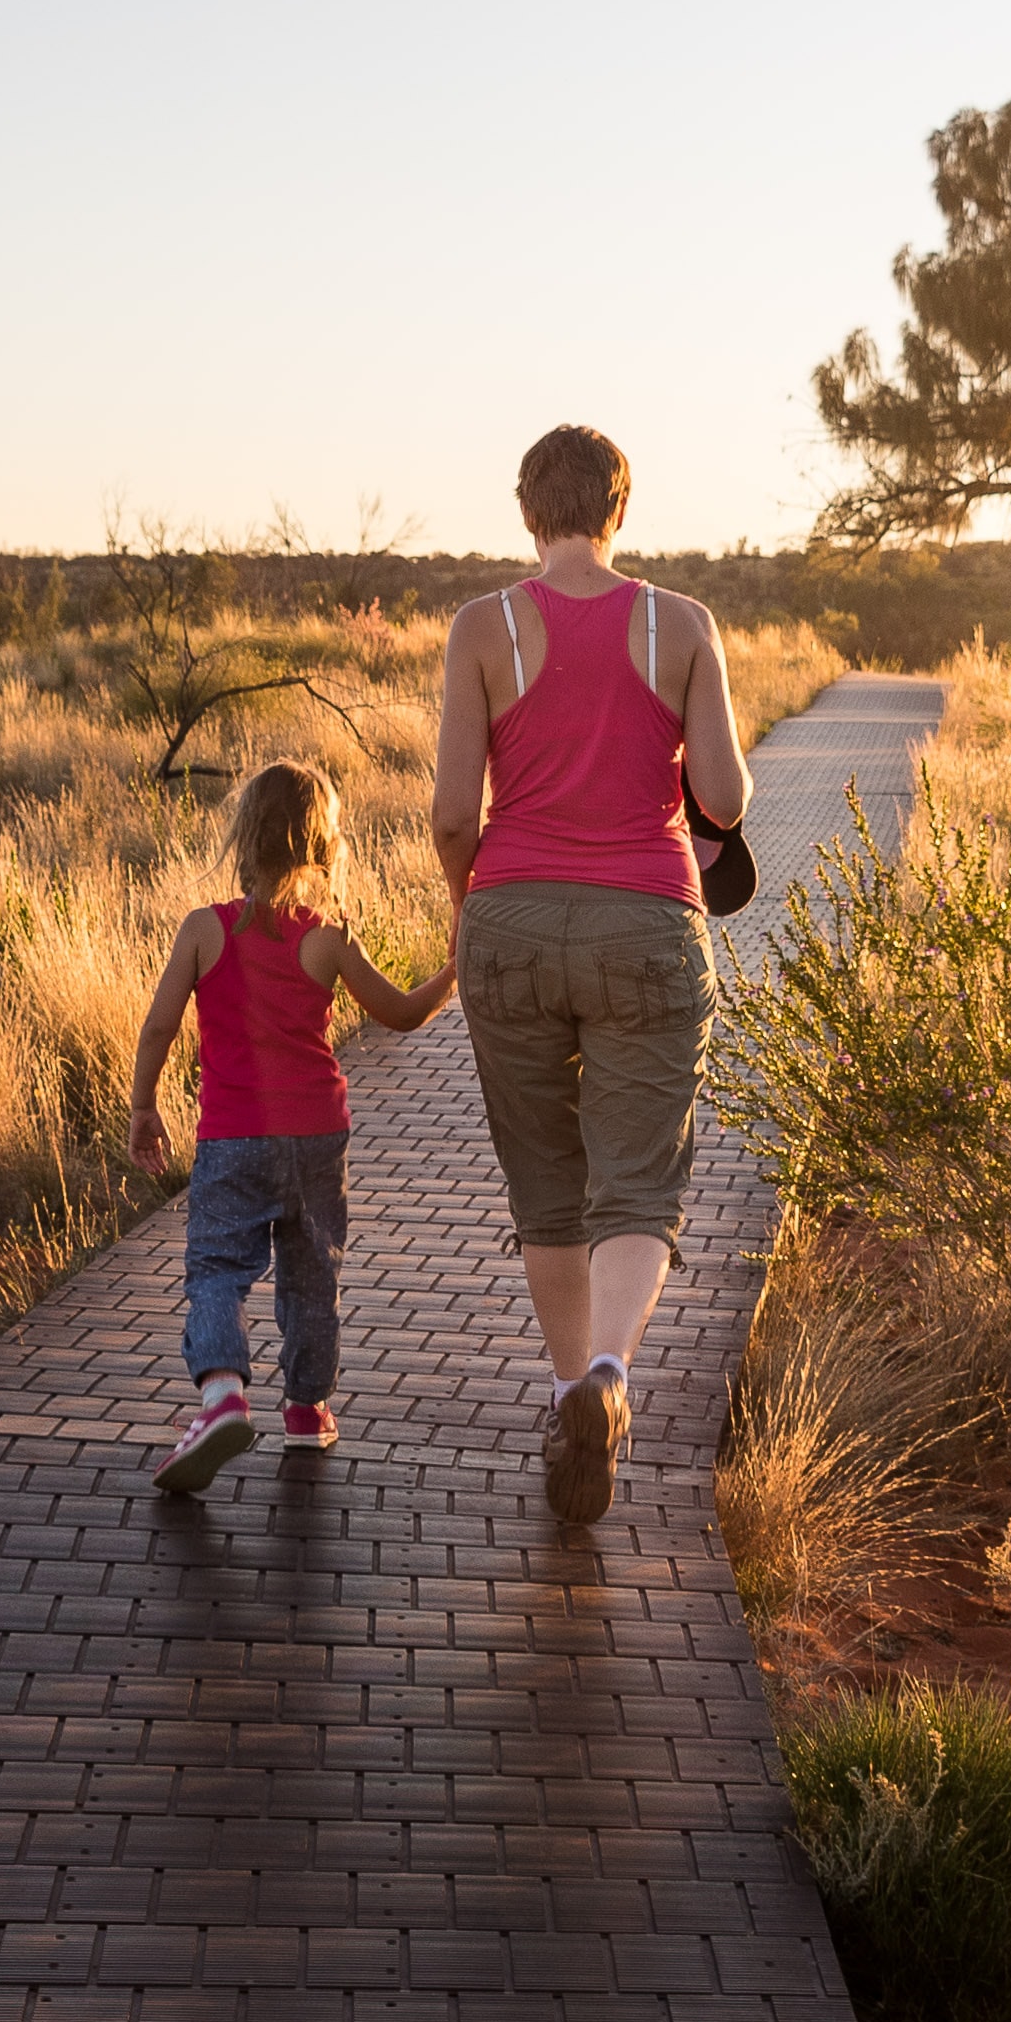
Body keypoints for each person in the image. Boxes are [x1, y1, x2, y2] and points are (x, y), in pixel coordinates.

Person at [431, 423, 747, 1524]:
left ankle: (569, 1385)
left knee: (544, 1179)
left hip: (509, 915)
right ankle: (609, 1373)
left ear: (527, 511)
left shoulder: (480, 627)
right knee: (637, 1176)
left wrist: (471, 905)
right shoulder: (682, 624)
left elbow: (445, 812)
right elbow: (725, 794)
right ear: (621, 508)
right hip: (647, 922)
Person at [121, 760, 455, 1495]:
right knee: (311, 1272)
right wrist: (451, 970)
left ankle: (221, 1397)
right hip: (316, 1135)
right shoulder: (326, 938)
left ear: (244, 836)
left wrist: (144, 1105)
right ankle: (306, 1409)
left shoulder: (204, 930)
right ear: (320, 846)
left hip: (233, 1135)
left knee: (217, 1267)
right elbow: (398, 1014)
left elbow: (157, 1027)